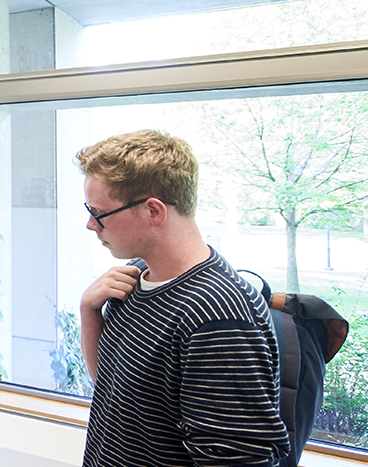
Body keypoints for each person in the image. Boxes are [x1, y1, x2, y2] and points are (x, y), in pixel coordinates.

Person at [77, 129, 288, 467]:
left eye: (99, 213)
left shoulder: (218, 316)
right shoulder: (134, 277)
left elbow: (237, 460)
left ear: (153, 211)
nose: (91, 224)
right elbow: (112, 391)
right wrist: (90, 311)